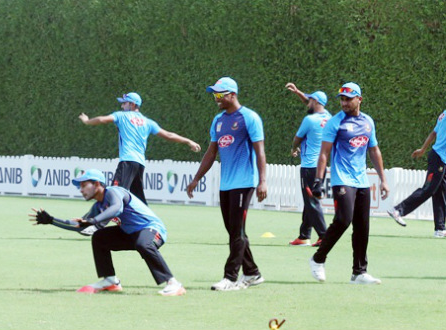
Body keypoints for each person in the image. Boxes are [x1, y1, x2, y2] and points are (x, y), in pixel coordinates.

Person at [29, 169, 186, 296]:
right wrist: (52, 220)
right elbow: (81, 226)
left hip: (153, 230)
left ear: (97, 184)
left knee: (143, 244)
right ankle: (110, 281)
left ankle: (173, 284)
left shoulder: (113, 192)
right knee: (99, 237)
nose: (81, 190)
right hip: (131, 233)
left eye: (84, 185)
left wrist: (93, 220)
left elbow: (116, 208)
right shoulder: (98, 205)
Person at [187, 77, 268, 291]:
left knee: (236, 231)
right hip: (226, 185)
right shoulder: (218, 120)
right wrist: (196, 178)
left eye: (219, 95)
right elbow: (211, 152)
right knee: (234, 231)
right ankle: (252, 273)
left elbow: (260, 152)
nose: (216, 99)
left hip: (245, 183)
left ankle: (230, 278)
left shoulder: (249, 118)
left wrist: (263, 181)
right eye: (214, 95)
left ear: (232, 94)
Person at [308, 82, 389, 285]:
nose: (344, 102)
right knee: (343, 220)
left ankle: (359, 272)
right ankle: (318, 259)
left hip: (361, 180)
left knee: (362, 225)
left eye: (348, 98)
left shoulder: (368, 122)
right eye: (342, 99)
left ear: (359, 99)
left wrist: (383, 179)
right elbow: (324, 153)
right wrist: (318, 180)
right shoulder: (335, 123)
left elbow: (374, 150)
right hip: (341, 179)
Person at [387, 93, 446, 237]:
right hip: (439, 158)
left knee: (442, 193)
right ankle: (398, 210)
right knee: (429, 189)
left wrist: (422, 149)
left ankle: (440, 229)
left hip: (441, 159)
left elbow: (433, 133)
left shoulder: (444, 114)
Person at [79, 92, 201, 204]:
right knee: (138, 200)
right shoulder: (147, 122)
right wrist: (188, 141)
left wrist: (87, 121)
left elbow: (102, 120)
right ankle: (147, 223)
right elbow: (169, 135)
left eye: (124, 103)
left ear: (132, 104)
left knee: (114, 193)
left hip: (127, 161)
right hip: (139, 164)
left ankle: (98, 224)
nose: (122, 106)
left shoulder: (121, 116)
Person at [285, 83, 331, 247]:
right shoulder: (328, 117)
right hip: (321, 167)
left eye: (310, 99)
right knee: (309, 200)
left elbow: (297, 138)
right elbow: (311, 104)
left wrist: (294, 148)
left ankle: (324, 236)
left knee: (311, 202)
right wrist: (299, 92)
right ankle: (304, 235)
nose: (308, 101)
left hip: (309, 167)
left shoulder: (309, 120)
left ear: (316, 102)